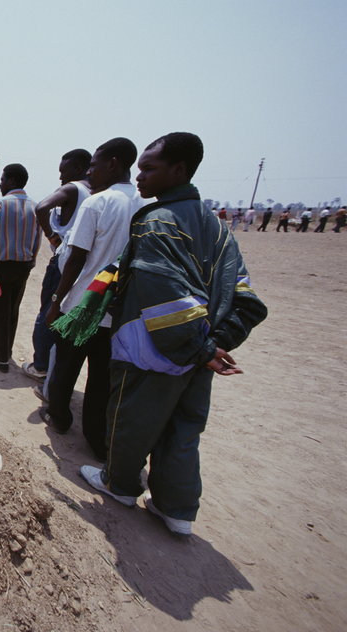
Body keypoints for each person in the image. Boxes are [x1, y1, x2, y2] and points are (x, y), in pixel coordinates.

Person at [79, 132, 267, 536]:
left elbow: (162, 291)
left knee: (131, 419)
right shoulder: (216, 227)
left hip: (157, 349)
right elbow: (244, 294)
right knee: (183, 430)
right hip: (201, 350)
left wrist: (197, 347)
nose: (140, 176)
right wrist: (215, 343)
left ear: (178, 171)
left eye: (150, 168)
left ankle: (120, 485)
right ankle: (177, 509)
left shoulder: (157, 223)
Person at [42, 138, 143, 460]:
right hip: (117, 309)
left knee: (66, 367)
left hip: (84, 305)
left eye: (95, 165)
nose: (90, 172)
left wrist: (57, 301)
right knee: (102, 378)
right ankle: (96, 439)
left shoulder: (97, 203)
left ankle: (59, 418)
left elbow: (76, 258)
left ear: (113, 163)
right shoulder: (145, 204)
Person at [23, 149, 92, 380]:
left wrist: (52, 236)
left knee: (49, 311)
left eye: (64, 172)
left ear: (80, 169)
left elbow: (41, 208)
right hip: (84, 265)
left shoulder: (72, 189)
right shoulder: (97, 193)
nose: (61, 178)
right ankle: (52, 366)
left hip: (63, 261)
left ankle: (41, 365)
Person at [0, 164, 39, 372]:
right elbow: (36, 238)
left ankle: (2, 359)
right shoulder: (34, 204)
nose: (0, 183)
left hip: (2, 266)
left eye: (3, 179)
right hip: (23, 266)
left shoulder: (2, 203)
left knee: (0, 312)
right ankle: (8, 352)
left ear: (12, 180)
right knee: (13, 310)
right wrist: (32, 260)